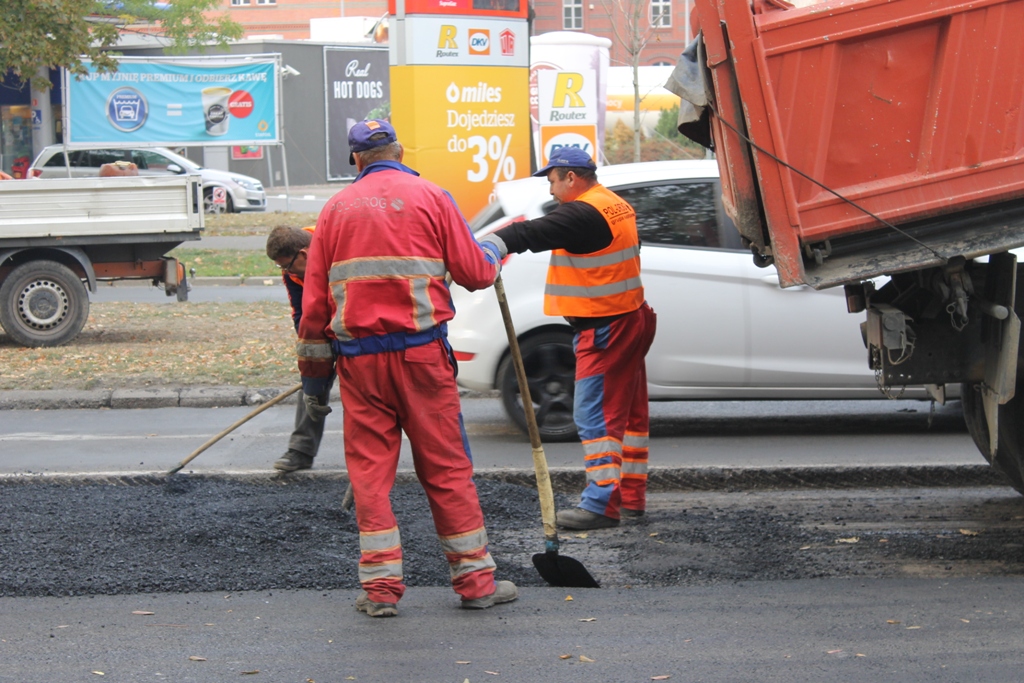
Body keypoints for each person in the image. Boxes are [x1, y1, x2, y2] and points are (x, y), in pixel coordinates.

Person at [297, 119, 517, 618]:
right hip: (422, 359)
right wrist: (495, 248)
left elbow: (313, 310)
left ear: (356, 160)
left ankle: (380, 592)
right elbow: (476, 272)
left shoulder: (333, 212)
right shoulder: (433, 197)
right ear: (399, 150)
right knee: (446, 468)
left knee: (371, 474)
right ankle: (476, 582)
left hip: (362, 366)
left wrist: (314, 386)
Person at [481, 146, 657, 531]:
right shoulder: (614, 204)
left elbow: (532, 231)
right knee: (628, 413)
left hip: (605, 326)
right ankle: (631, 498)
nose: (550, 189)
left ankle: (601, 504)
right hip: (630, 316)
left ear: (571, 178)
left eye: (552, 180)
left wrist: (493, 245)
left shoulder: (582, 212)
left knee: (595, 415)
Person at [266, 225, 333, 472]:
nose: (285, 271)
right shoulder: (294, 274)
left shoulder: (338, 250)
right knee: (311, 385)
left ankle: (371, 458)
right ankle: (301, 451)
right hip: (323, 328)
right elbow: (301, 314)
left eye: (286, 265)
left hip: (356, 328)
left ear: (303, 255)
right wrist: (313, 352)